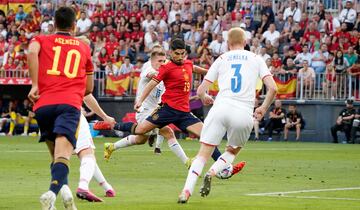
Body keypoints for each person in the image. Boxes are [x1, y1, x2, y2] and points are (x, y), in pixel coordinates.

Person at [94, 39, 239, 170]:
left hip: (183, 113)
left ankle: (225, 167)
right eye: (177, 54)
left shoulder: (187, 63)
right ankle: (111, 124)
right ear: (171, 52)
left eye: (183, 54)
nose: (180, 57)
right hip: (167, 110)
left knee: (207, 136)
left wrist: (214, 73)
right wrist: (139, 100)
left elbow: (196, 69)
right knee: (140, 131)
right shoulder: (166, 68)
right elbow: (151, 83)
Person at [177, 27, 278, 203]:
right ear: (245, 42)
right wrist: (263, 107)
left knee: (202, 154)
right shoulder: (256, 58)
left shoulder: (221, 59)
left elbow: (201, 89)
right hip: (243, 111)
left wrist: (205, 97)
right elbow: (273, 88)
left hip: (220, 108)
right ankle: (213, 172)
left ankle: (186, 191)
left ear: (227, 43)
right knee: (232, 150)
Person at [27, 7, 94, 210]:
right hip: (68, 105)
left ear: (54, 24)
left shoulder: (40, 40)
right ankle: (52, 193)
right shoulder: (83, 47)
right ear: (74, 25)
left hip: (43, 106)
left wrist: (35, 84)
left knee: (56, 157)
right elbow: (89, 88)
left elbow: (31, 53)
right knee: (63, 156)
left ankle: (65, 196)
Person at [101, 48, 191, 164]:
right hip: (144, 110)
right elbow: (151, 75)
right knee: (168, 132)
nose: (162, 63)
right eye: (159, 61)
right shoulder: (148, 70)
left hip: (154, 110)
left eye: (164, 61)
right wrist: (166, 72)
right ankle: (187, 162)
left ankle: (111, 146)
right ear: (152, 61)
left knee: (140, 139)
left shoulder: (164, 74)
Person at [74, 94, 116, 202]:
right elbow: (87, 95)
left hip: (48, 111)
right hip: (70, 110)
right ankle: (83, 186)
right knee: (87, 153)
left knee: (60, 155)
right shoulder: (78, 76)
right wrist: (105, 117)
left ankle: (107, 187)